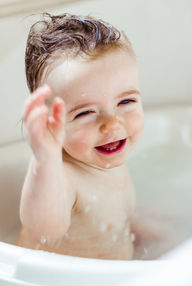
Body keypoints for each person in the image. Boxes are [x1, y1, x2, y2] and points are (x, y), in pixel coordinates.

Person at [17, 13, 144, 260]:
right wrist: (45, 159)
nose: (112, 123)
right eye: (85, 113)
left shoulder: (104, 155)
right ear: (50, 122)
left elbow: (111, 219)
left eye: (126, 101)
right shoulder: (62, 175)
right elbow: (45, 231)